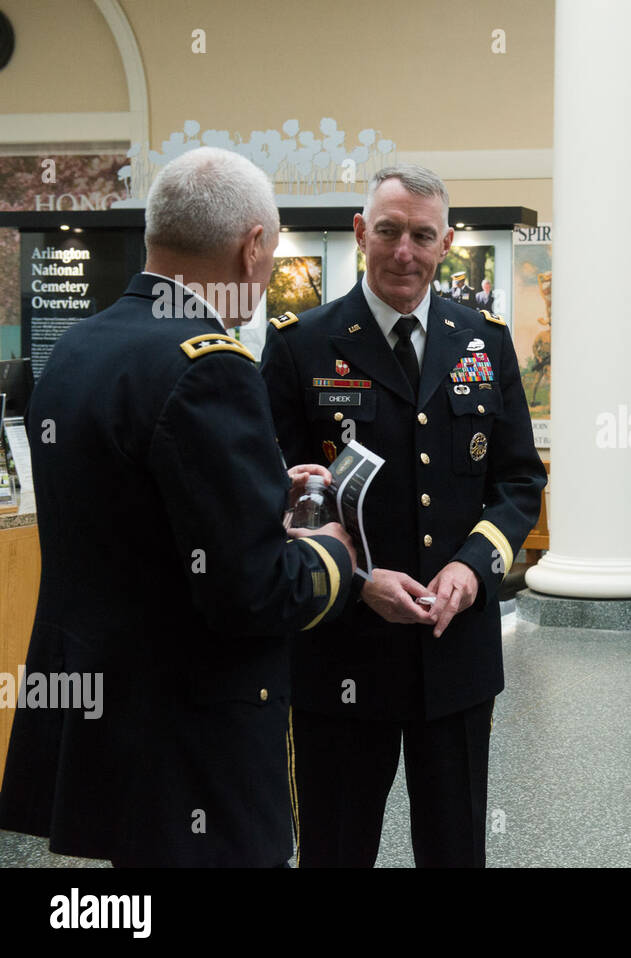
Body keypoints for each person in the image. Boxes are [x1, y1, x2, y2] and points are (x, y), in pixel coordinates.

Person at [0, 147, 356, 867]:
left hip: (106, 723)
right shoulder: (210, 365)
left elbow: (138, 509)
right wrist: (333, 556)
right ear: (252, 246)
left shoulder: (78, 347)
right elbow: (251, 590)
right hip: (193, 741)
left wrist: (259, 492)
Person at [260, 164, 546, 867]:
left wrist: (473, 567)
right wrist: (358, 582)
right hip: (341, 648)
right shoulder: (301, 344)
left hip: (455, 650)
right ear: (361, 233)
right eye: (388, 232)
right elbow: (275, 494)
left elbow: (517, 480)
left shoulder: (483, 340)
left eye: (422, 235)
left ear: (445, 242)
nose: (404, 252)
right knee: (335, 846)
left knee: (454, 849)